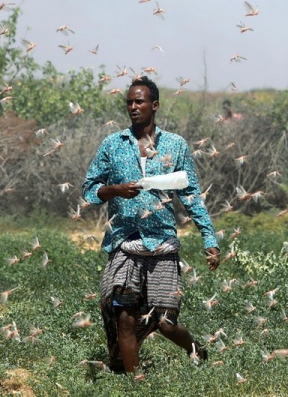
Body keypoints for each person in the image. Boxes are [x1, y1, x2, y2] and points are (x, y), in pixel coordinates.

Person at [82, 75, 220, 374]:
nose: (133, 106)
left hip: (162, 243)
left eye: (139, 101)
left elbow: (191, 194)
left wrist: (209, 238)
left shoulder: (175, 145)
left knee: (165, 323)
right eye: (129, 102)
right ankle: (135, 384)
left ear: (154, 105)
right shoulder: (113, 144)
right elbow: (89, 190)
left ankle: (196, 349)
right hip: (125, 241)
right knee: (125, 316)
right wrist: (116, 189)